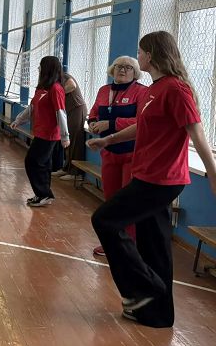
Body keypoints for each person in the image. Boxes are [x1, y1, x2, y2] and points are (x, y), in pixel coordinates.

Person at [88, 31, 216, 328]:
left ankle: (146, 287)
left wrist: (212, 174)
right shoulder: (154, 89)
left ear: (151, 54)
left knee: (105, 220)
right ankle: (158, 314)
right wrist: (108, 140)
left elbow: (196, 132)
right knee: (154, 245)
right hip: (147, 173)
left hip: (161, 179)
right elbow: (142, 126)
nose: (138, 56)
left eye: (140, 52)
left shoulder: (176, 89)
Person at [86, 57, 149, 257]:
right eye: (119, 67)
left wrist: (111, 124)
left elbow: (141, 122)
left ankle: (128, 244)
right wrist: (93, 122)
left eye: (128, 67)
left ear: (135, 72)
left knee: (128, 201)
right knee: (111, 199)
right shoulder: (104, 90)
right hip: (109, 153)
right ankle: (111, 241)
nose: (122, 70)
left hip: (132, 154)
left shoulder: (142, 91)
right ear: (112, 70)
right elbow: (94, 112)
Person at [10, 56, 70, 207]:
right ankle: (43, 195)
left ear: (47, 68)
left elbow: (60, 112)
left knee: (32, 161)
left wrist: (65, 136)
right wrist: (19, 120)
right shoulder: (42, 88)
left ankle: (44, 194)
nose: (38, 69)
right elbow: (32, 108)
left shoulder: (56, 88)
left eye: (41, 66)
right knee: (43, 164)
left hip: (49, 134)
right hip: (40, 132)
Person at [54, 73, 88, 181]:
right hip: (68, 110)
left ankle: (76, 173)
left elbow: (72, 86)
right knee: (67, 139)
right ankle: (67, 168)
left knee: (74, 140)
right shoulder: (52, 80)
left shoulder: (61, 75)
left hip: (76, 108)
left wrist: (58, 93)